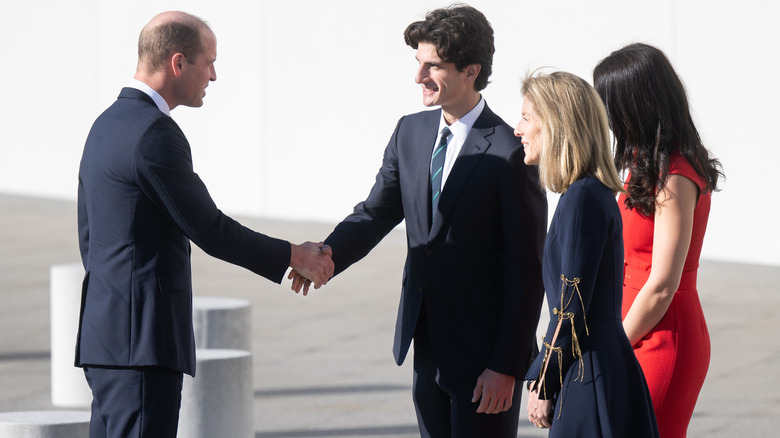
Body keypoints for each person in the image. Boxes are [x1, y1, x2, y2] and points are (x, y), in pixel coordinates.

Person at [289, 5, 547, 437]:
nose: (419, 77)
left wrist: (505, 365)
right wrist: (326, 255)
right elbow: (374, 214)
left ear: (471, 71)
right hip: (425, 343)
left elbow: (527, 271)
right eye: (418, 63)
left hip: (485, 358)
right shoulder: (409, 132)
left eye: (434, 66)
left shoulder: (510, 152)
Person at [76, 11, 333, 437]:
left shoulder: (105, 124)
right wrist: (294, 255)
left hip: (106, 337)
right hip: (143, 345)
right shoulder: (154, 133)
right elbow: (210, 229)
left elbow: (89, 236)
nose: (213, 75)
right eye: (208, 62)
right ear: (178, 63)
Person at [517, 71, 659, 436]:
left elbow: (571, 305)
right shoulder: (586, 194)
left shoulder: (582, 197)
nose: (517, 129)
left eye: (527, 118)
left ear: (556, 126)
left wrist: (545, 383)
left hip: (588, 374)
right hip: (596, 366)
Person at [593, 43, 723, 437]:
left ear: (636, 105)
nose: (606, 116)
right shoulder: (646, 164)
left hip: (662, 335)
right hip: (632, 325)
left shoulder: (677, 175)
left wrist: (613, 346)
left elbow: (662, 284)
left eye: (609, 104)